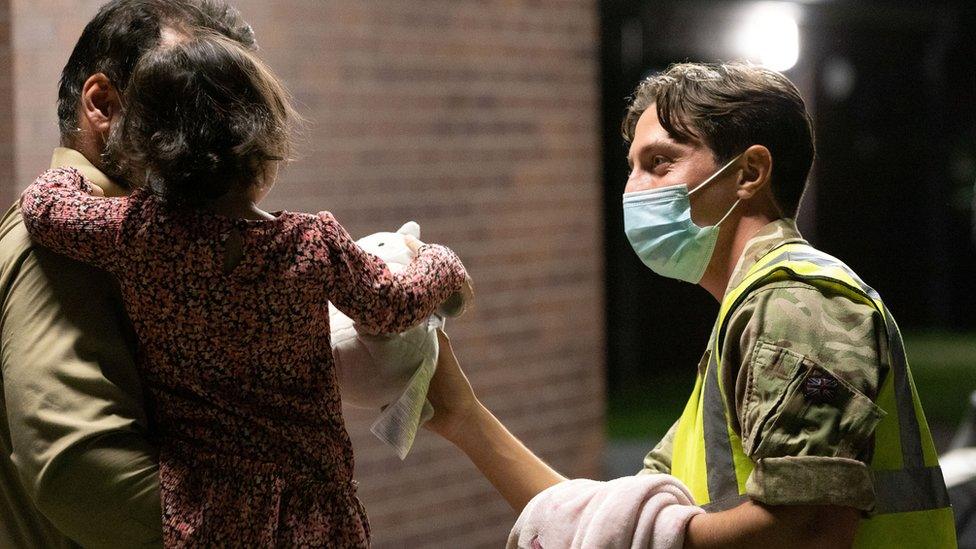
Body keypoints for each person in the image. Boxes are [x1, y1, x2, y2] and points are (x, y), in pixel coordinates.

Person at [423, 62, 957, 548]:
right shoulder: (745, 318)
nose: (635, 190)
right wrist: (463, 416)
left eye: (659, 163)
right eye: (631, 167)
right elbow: (607, 527)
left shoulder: (796, 304)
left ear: (749, 173)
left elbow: (808, 529)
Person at [19, 27, 469, 546]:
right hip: (314, 511)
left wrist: (75, 168)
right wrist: (443, 262)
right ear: (264, 149)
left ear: (149, 150)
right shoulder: (310, 244)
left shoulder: (136, 233)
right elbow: (393, 305)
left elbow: (44, 206)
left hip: (201, 512)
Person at [0, 2, 257, 546]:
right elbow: (81, 474)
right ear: (102, 106)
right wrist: (274, 526)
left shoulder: (139, 240)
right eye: (191, 112)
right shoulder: (67, 244)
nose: (223, 148)